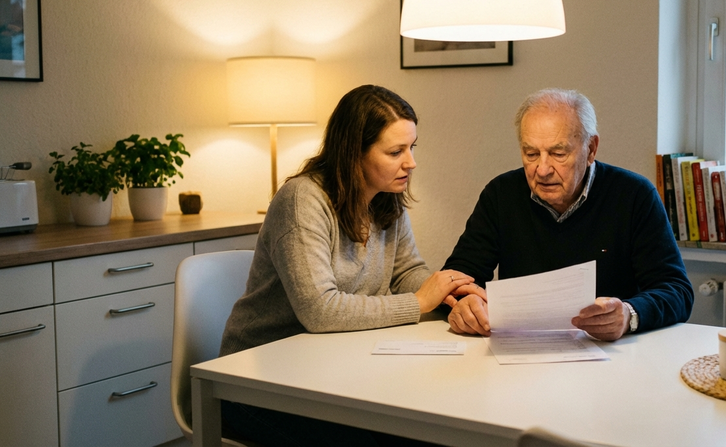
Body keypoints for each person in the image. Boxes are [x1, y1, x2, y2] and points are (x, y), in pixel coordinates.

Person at [219, 84, 473, 446]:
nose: (411, 162)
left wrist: (453, 296)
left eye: (412, 147)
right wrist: (419, 303)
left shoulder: (387, 198)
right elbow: (320, 310)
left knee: (433, 425)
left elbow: (405, 272)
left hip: (331, 367)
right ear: (354, 152)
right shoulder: (302, 201)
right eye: (395, 151)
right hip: (257, 382)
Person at [443, 88, 693, 341]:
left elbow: (677, 291)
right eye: (531, 154)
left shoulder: (635, 195)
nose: (542, 169)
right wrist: (466, 304)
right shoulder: (500, 194)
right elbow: (457, 277)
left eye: (558, 154)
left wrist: (629, 314)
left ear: (591, 149)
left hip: (613, 357)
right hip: (521, 353)